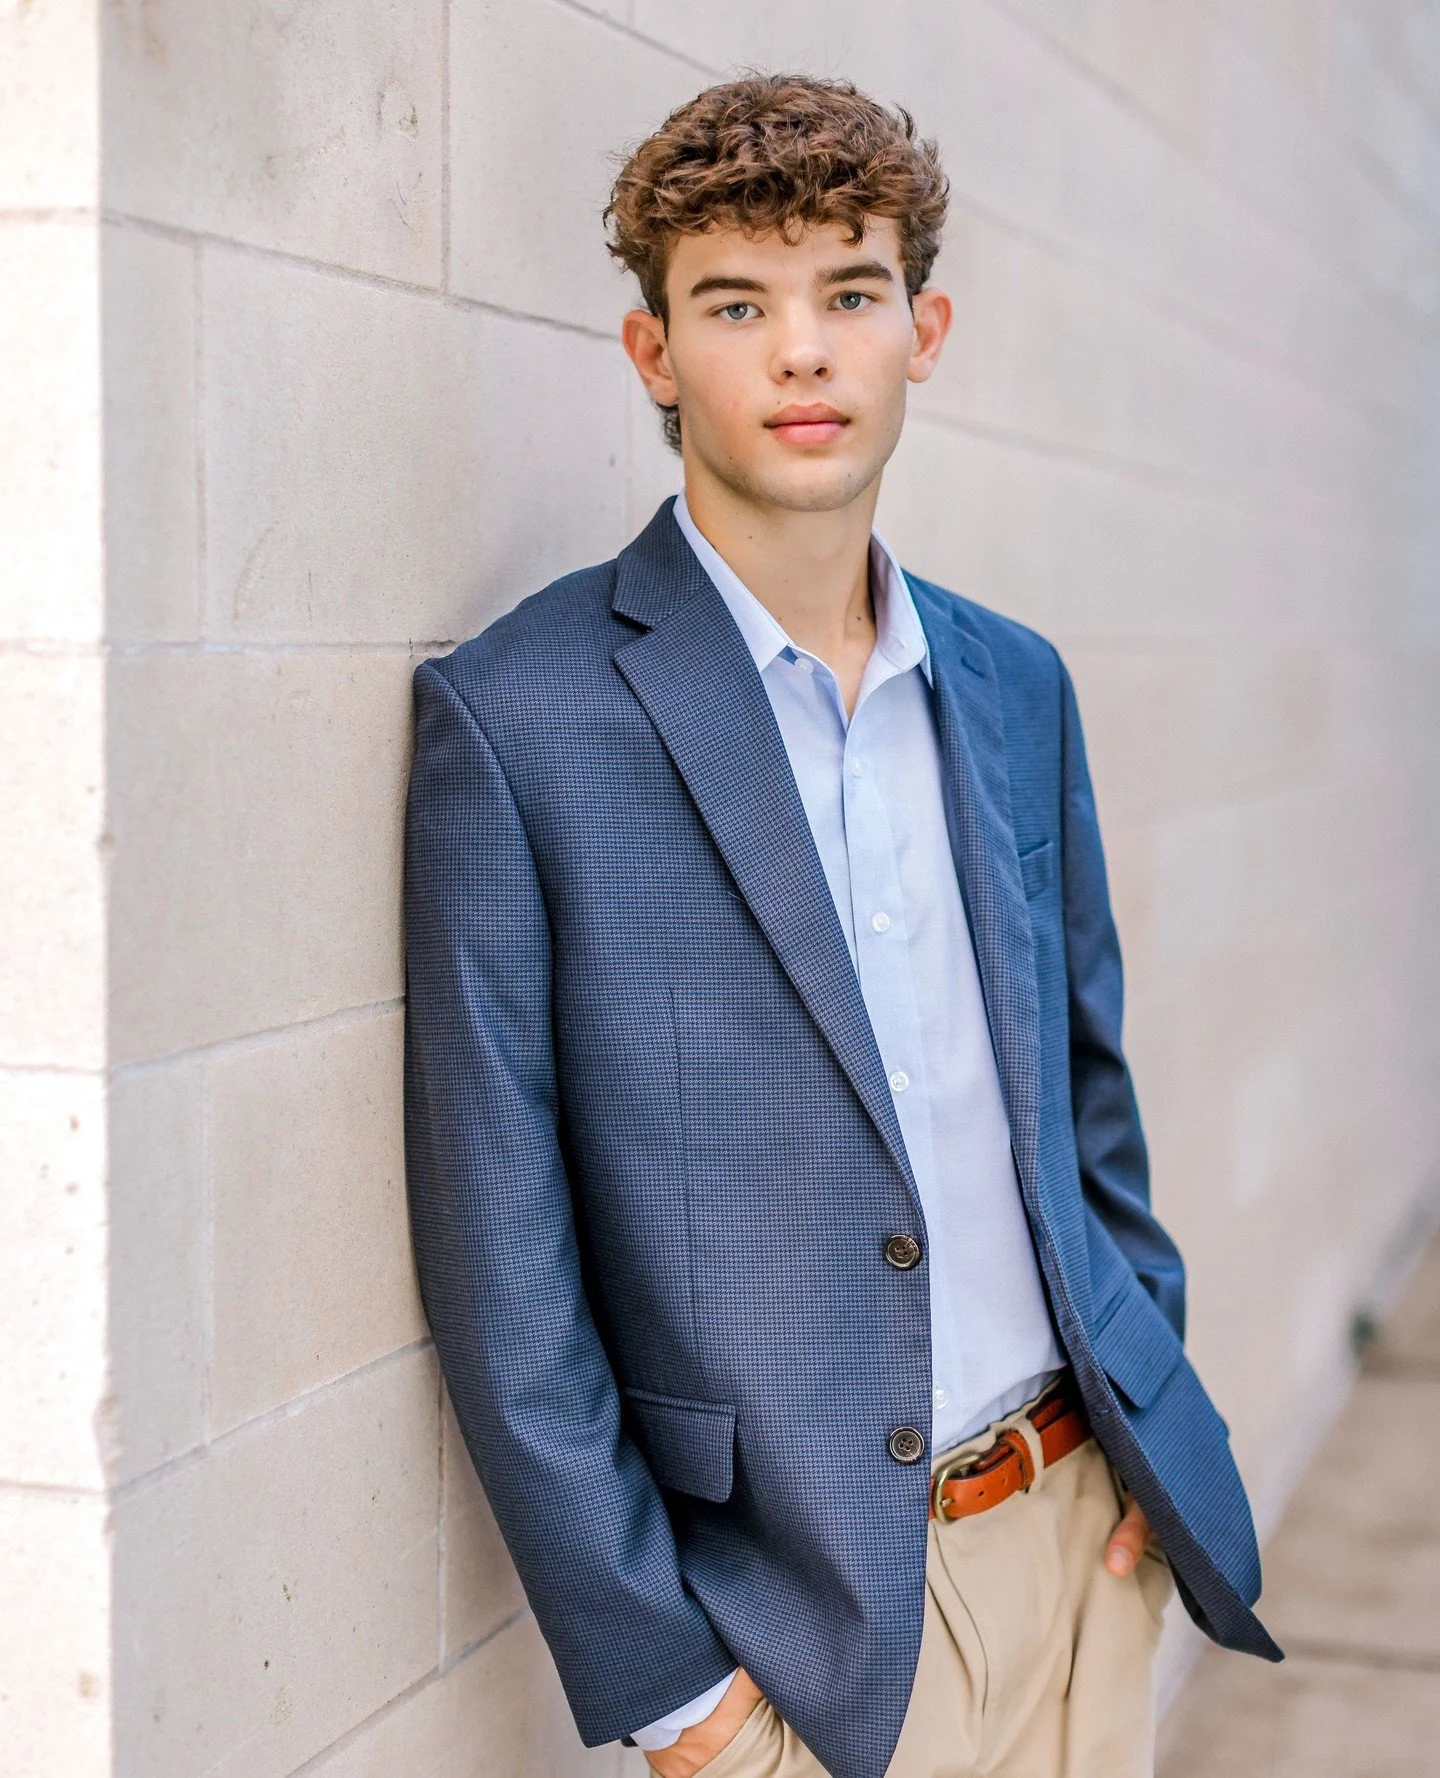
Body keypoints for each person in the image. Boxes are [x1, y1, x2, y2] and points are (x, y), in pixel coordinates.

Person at [403, 73, 1279, 1778]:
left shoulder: (1013, 682)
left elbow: (1086, 1103)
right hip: (811, 1639)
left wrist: (1147, 1417)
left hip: (1084, 1542)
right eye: (738, 305)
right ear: (655, 353)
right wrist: (681, 1697)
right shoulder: (522, 722)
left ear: (921, 331)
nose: (802, 352)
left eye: (850, 294)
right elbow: (502, 1265)